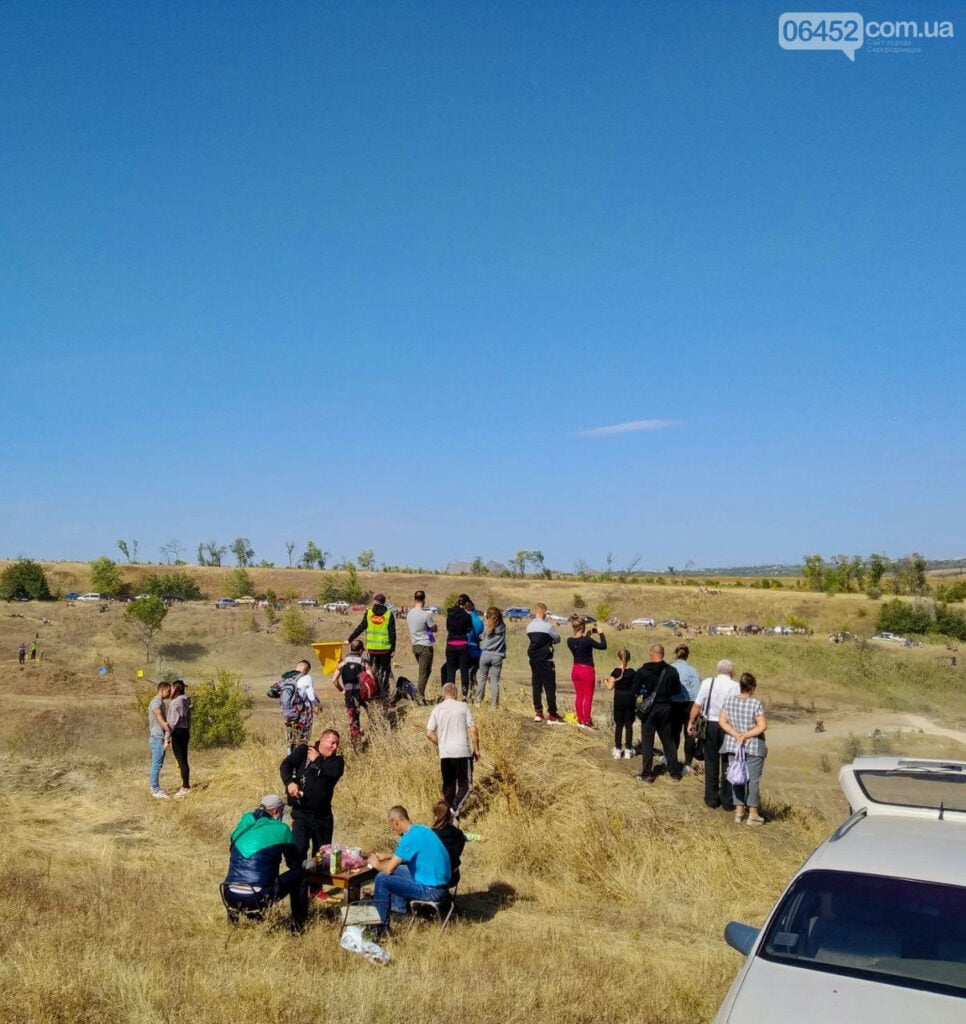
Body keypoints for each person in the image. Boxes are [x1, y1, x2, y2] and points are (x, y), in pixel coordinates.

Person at [222, 794, 309, 931]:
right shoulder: (281, 829)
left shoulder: (244, 822)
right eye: (281, 811)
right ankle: (299, 926)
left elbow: (234, 841)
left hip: (229, 893)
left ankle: (234, 922)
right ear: (275, 811)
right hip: (258, 896)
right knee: (300, 875)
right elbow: (294, 864)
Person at [367, 805, 452, 925]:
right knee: (400, 869)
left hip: (431, 891)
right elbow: (409, 853)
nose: (394, 831)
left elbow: (389, 869)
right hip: (442, 885)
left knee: (382, 878)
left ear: (396, 822)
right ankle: (398, 912)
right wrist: (388, 856)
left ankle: (380, 925)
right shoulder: (421, 829)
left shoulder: (409, 838)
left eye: (392, 827)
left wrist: (376, 864)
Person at [279, 729, 345, 859]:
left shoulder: (337, 762)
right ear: (322, 740)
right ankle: (298, 878)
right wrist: (289, 782)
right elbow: (285, 765)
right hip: (301, 813)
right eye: (332, 743)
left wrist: (317, 760)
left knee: (322, 857)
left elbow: (332, 774)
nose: (335, 747)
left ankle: (316, 879)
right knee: (298, 852)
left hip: (323, 816)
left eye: (337, 744)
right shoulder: (304, 751)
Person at [687, 659, 741, 810]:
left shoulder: (707, 683)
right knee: (728, 762)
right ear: (732, 671)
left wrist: (691, 722)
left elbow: (698, 705)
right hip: (729, 726)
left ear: (718, 670)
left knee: (711, 761)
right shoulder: (736, 686)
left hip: (710, 724)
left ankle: (711, 798)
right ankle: (728, 800)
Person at [720, 672, 768, 825]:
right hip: (753, 746)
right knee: (753, 780)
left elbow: (723, 721)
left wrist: (736, 734)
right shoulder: (755, 704)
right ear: (752, 688)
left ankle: (739, 810)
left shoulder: (729, 701)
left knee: (737, 777)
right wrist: (746, 735)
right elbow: (762, 726)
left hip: (734, 745)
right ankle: (753, 813)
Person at [426, 682, 480, 819]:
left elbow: (429, 733)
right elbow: (473, 729)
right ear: (455, 694)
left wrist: (441, 744)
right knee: (466, 785)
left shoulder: (437, 709)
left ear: (443, 694)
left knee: (448, 786)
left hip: (446, 754)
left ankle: (448, 818)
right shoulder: (463, 706)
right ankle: (454, 810)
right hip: (462, 752)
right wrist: (476, 749)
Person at [634, 644, 682, 783]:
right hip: (666, 708)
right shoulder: (672, 671)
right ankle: (675, 773)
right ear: (663, 654)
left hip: (649, 709)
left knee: (647, 741)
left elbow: (635, 689)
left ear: (651, 654)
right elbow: (676, 691)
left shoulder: (643, 670)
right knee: (668, 740)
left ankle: (647, 774)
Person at [348, 593, 395, 699]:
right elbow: (392, 633)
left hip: (372, 649)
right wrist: (393, 649)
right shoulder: (388, 614)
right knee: (385, 671)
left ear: (375, 601)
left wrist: (350, 639)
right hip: (385, 649)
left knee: (372, 670)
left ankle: (373, 690)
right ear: (384, 602)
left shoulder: (369, 613)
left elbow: (360, 628)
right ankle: (385, 692)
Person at [567, 617, 607, 729]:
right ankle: (587, 720)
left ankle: (580, 719)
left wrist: (587, 636)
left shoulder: (569, 641)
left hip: (575, 669)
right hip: (587, 670)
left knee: (579, 695)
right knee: (588, 696)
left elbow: (580, 644)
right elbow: (603, 646)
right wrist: (601, 633)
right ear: (583, 627)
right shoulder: (587, 641)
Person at [526, 603, 563, 724]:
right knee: (550, 687)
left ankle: (538, 712)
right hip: (546, 660)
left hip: (534, 660)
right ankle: (552, 714)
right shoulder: (548, 627)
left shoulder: (529, 626)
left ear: (535, 612)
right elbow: (557, 639)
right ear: (545, 613)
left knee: (536, 686)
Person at [670, 644, 702, 773]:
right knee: (689, 735)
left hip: (674, 704)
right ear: (687, 655)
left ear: (675, 654)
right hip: (690, 704)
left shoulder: (670, 668)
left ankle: (671, 758)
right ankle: (687, 764)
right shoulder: (693, 671)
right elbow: (697, 691)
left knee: (673, 733)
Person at [333, 639, 370, 742]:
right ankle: (374, 733)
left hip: (349, 693)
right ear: (360, 650)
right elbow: (371, 679)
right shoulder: (364, 662)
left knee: (353, 718)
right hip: (363, 692)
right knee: (372, 713)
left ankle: (356, 741)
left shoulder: (342, 663)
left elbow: (334, 680)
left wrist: (341, 690)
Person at [281, 659, 320, 751]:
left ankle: (289, 758)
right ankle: (299, 760)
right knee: (303, 738)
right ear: (305, 669)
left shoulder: (287, 678)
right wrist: (319, 705)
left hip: (289, 713)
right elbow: (311, 697)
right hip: (303, 714)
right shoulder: (306, 678)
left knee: (291, 738)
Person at [604, 647, 636, 759]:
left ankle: (618, 749)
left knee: (619, 725)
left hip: (619, 699)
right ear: (629, 658)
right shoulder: (632, 672)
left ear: (618, 658)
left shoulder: (615, 672)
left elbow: (610, 687)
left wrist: (605, 681)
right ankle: (628, 750)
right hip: (630, 699)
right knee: (629, 725)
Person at [406, 590, 436, 704]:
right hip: (425, 646)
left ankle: (420, 695)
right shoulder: (426, 615)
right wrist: (435, 626)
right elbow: (433, 628)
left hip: (415, 645)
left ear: (414, 599)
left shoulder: (409, 614)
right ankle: (419, 698)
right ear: (424, 600)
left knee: (426, 671)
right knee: (424, 672)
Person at [443, 594, 474, 699]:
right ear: (466, 604)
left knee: (450, 671)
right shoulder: (467, 616)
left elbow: (448, 628)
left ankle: (450, 696)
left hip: (451, 644)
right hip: (462, 645)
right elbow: (469, 629)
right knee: (464, 671)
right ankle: (464, 696)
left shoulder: (450, 614)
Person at [475, 607, 507, 707]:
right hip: (497, 656)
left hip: (485, 654)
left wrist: (482, 636)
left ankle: (478, 701)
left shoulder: (486, 625)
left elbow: (482, 636)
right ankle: (494, 705)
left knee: (482, 679)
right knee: (494, 681)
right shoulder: (503, 627)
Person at [166, 679, 192, 798]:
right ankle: (186, 785)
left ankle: (185, 787)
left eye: (171, 688)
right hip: (185, 730)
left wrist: (167, 737)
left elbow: (171, 722)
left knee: (181, 760)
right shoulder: (186, 701)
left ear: (175, 688)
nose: (170, 690)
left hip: (177, 731)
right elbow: (189, 718)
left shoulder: (175, 703)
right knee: (184, 759)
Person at [147, 680, 173, 798]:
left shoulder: (161, 703)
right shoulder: (155, 702)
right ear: (163, 689)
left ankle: (155, 788)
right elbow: (157, 714)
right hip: (157, 738)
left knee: (158, 764)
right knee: (156, 764)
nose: (169, 693)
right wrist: (164, 723)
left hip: (160, 738)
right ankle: (155, 790)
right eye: (168, 691)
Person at [465, 598, 484, 697]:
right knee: (473, 673)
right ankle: (474, 692)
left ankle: (468, 695)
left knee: (467, 674)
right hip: (477, 650)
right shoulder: (479, 621)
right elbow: (481, 636)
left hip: (467, 649)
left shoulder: (465, 619)